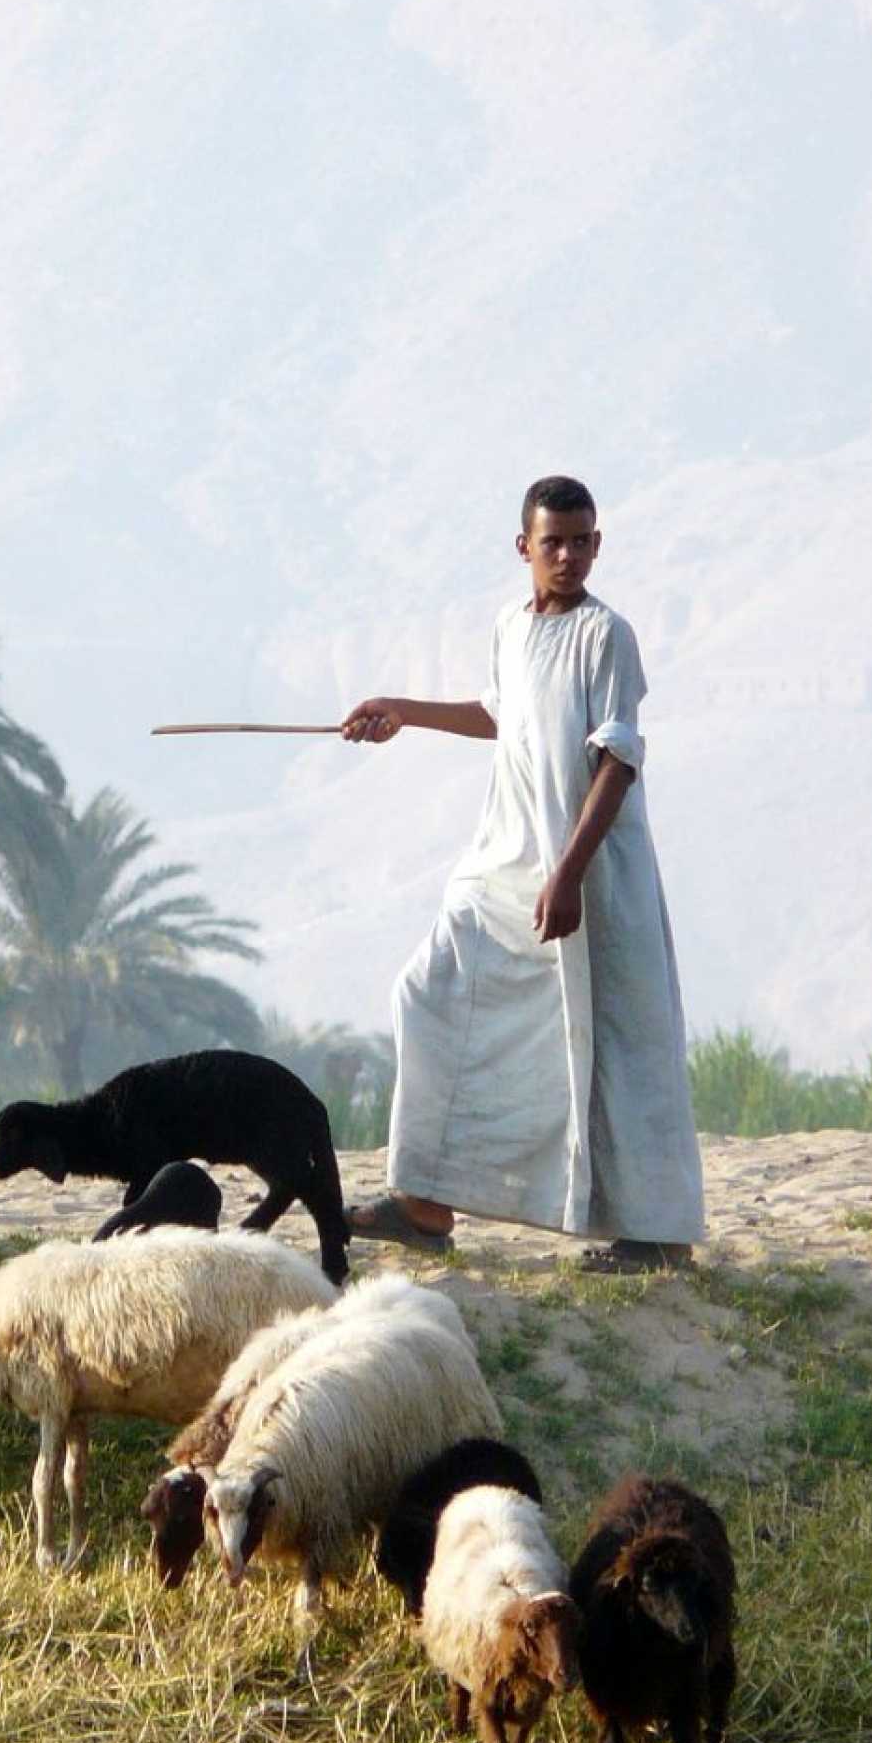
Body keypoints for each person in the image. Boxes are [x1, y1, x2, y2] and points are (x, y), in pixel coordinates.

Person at [339, 475, 706, 1271]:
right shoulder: (511, 625)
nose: (568, 556)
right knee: (427, 993)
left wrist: (569, 874)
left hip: (593, 871)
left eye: (581, 541)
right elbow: (501, 714)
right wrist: (402, 710)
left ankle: (657, 1234)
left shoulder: (608, 636)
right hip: (504, 862)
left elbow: (617, 761)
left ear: (597, 545)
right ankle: (423, 1203)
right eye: (553, 543)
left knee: (620, 1037)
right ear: (524, 548)